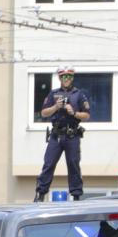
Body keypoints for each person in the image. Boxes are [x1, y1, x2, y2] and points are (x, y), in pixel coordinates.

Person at [34, 66, 90, 202]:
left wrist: (74, 112)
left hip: (72, 135)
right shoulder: (53, 94)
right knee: (49, 163)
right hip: (56, 135)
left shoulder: (79, 94)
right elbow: (44, 113)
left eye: (69, 77)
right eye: (64, 77)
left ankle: (76, 195)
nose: (66, 79)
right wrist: (56, 107)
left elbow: (87, 115)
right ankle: (40, 194)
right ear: (60, 78)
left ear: (72, 78)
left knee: (73, 165)